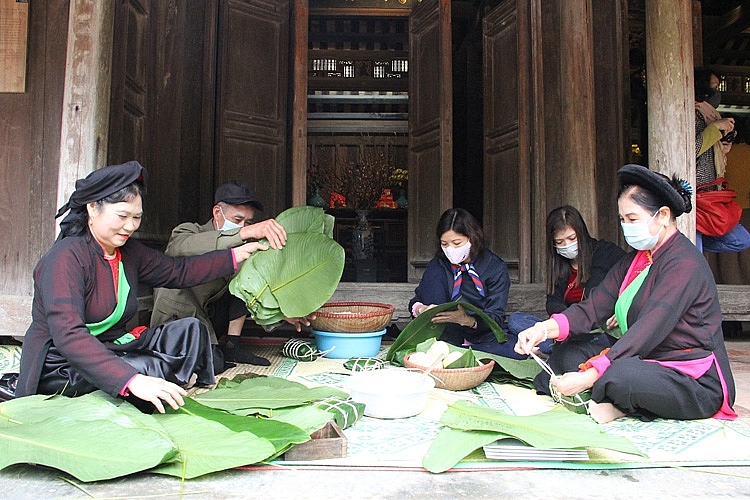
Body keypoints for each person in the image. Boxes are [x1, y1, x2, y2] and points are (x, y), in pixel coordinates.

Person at [0, 161, 265, 413]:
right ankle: (149, 381)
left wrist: (236, 255)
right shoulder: (65, 259)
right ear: (93, 208)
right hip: (63, 362)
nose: (130, 226)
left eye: (136, 217)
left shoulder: (129, 252)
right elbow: (69, 336)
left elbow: (178, 272)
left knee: (190, 330)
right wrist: (131, 380)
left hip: (113, 347)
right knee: (145, 367)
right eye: (122, 216)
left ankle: (157, 379)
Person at [515, 164, 737, 424]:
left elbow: (646, 331)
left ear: (663, 215)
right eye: (622, 220)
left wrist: (589, 376)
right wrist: (542, 330)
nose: (626, 226)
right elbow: (594, 307)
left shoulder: (684, 263)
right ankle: (613, 400)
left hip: (691, 378)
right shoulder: (635, 261)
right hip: (645, 359)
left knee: (617, 376)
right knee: (567, 355)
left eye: (632, 219)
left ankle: (616, 403)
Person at [149, 181, 310, 368]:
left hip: (209, 316)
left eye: (248, 222)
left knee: (246, 275)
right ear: (217, 213)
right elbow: (180, 247)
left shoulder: (243, 247)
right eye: (237, 220)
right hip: (178, 318)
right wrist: (245, 232)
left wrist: (280, 313)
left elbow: (249, 290)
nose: (242, 226)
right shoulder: (188, 231)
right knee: (212, 366)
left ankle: (233, 344)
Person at [507, 205, 625, 354]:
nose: (567, 245)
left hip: (600, 328)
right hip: (567, 328)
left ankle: (558, 351)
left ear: (581, 234)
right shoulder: (558, 265)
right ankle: (563, 348)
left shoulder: (606, 253)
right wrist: (566, 320)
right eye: (560, 242)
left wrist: (621, 306)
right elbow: (553, 302)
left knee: (599, 340)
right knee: (516, 320)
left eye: (572, 238)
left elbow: (634, 277)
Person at [408, 208, 523, 359]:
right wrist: (421, 310)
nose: (451, 249)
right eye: (445, 244)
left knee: (516, 352)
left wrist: (467, 320)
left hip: (480, 340)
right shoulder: (437, 265)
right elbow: (415, 302)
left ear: (472, 238)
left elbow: (496, 317)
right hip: (440, 340)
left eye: (457, 243)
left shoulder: (494, 267)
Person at [694, 68, 750, 253]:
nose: (718, 93)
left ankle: (680, 245)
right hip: (695, 196)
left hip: (711, 195)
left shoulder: (709, 116)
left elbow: (707, 152)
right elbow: (690, 150)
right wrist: (714, 128)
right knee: (695, 256)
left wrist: (722, 144)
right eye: (715, 87)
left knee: (741, 240)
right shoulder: (691, 114)